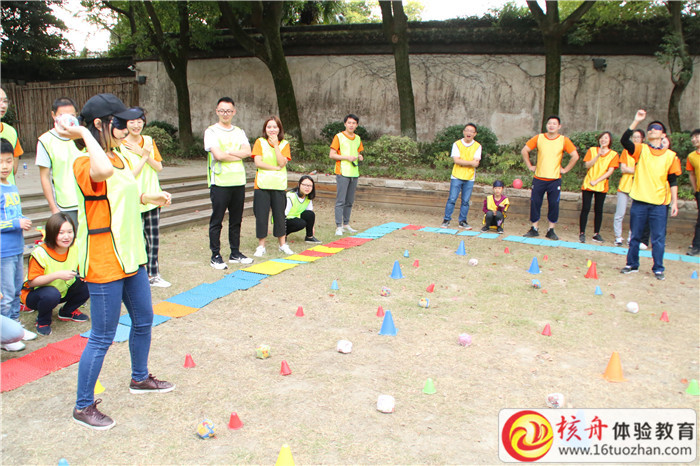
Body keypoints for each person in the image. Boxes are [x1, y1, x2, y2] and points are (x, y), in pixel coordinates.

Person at [58, 93, 174, 430]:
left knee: (144, 320)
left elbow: (124, 192)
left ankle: (140, 378)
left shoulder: (119, 155)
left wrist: (149, 196)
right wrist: (83, 134)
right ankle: (83, 406)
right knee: (103, 335)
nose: (125, 128)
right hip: (104, 258)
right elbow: (103, 173)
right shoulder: (84, 162)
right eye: (118, 122)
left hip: (132, 255)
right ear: (99, 124)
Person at [619, 110, 681, 280]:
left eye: (657, 128)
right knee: (635, 236)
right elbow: (624, 141)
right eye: (650, 128)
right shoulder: (641, 150)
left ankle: (658, 268)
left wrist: (674, 203)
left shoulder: (670, 156)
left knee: (658, 238)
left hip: (659, 204)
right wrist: (636, 121)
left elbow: (673, 181)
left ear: (663, 135)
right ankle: (632, 264)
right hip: (639, 201)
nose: (653, 130)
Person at [120, 107, 170, 287]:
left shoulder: (148, 140)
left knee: (153, 238)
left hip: (153, 196)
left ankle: (153, 274)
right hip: (133, 197)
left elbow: (158, 167)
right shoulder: (120, 145)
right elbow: (129, 175)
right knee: (134, 239)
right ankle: (134, 275)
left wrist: (143, 152)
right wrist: (143, 156)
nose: (136, 125)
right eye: (132, 122)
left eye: (139, 121)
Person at [22, 213, 89, 336]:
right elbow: (32, 282)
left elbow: (82, 268)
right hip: (35, 294)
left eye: (70, 232)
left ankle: (67, 312)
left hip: (62, 289)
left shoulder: (76, 245)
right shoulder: (40, 253)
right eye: (61, 233)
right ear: (52, 233)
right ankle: (43, 321)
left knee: (89, 282)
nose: (66, 236)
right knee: (51, 294)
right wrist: (57, 275)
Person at [204, 97, 253, 269]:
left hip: (238, 181)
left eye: (229, 111)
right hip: (220, 182)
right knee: (217, 220)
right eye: (222, 111)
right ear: (217, 111)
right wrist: (237, 154)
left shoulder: (239, 131)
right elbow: (218, 155)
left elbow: (248, 152)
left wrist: (229, 153)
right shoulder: (211, 131)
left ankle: (235, 252)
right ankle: (215, 255)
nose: (225, 114)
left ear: (234, 112)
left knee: (236, 220)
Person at [0, 138, 37, 351]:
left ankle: (15, 327)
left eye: (8, 161)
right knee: (5, 295)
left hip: (16, 247)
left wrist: (22, 220)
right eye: (0, 162)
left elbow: (14, 214)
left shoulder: (11, 186)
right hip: (3, 251)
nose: (5, 166)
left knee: (15, 290)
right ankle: (5, 336)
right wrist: (16, 223)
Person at [522, 115, 579, 240]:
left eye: (554, 123)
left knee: (554, 204)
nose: (551, 125)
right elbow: (525, 150)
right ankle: (534, 228)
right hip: (539, 178)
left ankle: (551, 229)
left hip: (554, 179)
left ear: (559, 126)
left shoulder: (563, 140)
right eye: (549, 123)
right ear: (546, 125)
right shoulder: (539, 138)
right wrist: (530, 165)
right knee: (535, 203)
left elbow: (575, 156)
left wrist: (565, 169)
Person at [36, 97, 83, 227]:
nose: (67, 119)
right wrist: (53, 208)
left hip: (88, 200)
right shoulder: (46, 140)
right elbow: (44, 177)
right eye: (62, 115)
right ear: (53, 115)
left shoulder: (83, 136)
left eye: (72, 115)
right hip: (65, 204)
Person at [251, 116, 294, 257]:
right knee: (261, 216)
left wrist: (276, 145)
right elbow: (258, 162)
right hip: (262, 185)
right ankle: (261, 246)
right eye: (269, 127)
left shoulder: (284, 144)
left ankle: (282, 244)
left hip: (279, 185)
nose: (272, 130)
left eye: (275, 127)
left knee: (280, 216)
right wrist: (274, 168)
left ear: (279, 129)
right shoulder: (260, 142)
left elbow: (282, 162)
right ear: (265, 129)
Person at [579, 132, 619, 243]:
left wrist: (596, 181)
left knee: (598, 209)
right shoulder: (592, 150)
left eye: (606, 138)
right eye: (602, 138)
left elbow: (610, 171)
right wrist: (597, 155)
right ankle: (582, 232)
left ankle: (596, 233)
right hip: (588, 184)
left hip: (601, 185)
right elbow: (587, 165)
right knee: (585, 208)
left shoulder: (613, 154)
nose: (603, 140)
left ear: (610, 141)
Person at [441, 123, 482, 229]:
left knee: (465, 201)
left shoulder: (477, 146)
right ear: (463, 132)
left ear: (475, 134)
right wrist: (470, 162)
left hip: (469, 177)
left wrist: (463, 162)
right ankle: (446, 220)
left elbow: (476, 163)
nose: (469, 133)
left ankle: (462, 221)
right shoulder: (457, 144)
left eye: (471, 131)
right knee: (452, 199)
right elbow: (456, 160)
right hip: (456, 176)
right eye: (467, 130)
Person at [329, 114, 364, 236]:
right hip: (342, 172)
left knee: (349, 201)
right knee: (341, 200)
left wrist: (359, 156)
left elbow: (358, 152)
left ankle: (346, 224)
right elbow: (332, 154)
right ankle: (339, 226)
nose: (351, 125)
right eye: (349, 123)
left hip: (354, 172)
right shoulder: (338, 137)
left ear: (357, 125)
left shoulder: (358, 138)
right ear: (345, 124)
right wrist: (346, 158)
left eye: (354, 123)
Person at [285, 175, 321, 243]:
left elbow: (309, 213)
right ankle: (283, 234)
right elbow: (282, 214)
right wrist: (280, 229)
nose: (307, 187)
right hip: (284, 219)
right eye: (304, 185)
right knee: (301, 223)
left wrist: (312, 228)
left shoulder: (308, 197)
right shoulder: (290, 196)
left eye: (310, 186)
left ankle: (309, 237)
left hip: (295, 217)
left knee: (310, 214)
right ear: (299, 185)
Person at [0, 88, 23, 185]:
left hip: (9, 191)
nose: (3, 105)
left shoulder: (11, 131)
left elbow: (13, 169)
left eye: (5, 101)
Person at [686, 129, 700, 256]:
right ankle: (696, 246)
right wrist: (696, 190)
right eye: (692, 137)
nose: (694, 139)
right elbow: (692, 174)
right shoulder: (691, 156)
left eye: (697, 137)